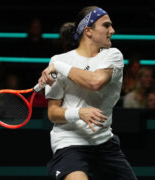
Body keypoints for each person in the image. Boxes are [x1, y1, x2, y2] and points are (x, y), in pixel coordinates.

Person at [37, 6, 137, 180]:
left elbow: (95, 81)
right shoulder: (58, 60)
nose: (112, 31)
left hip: (105, 144)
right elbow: (53, 113)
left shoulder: (113, 55)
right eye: (106, 26)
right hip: (69, 144)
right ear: (88, 31)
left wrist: (59, 68)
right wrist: (79, 113)